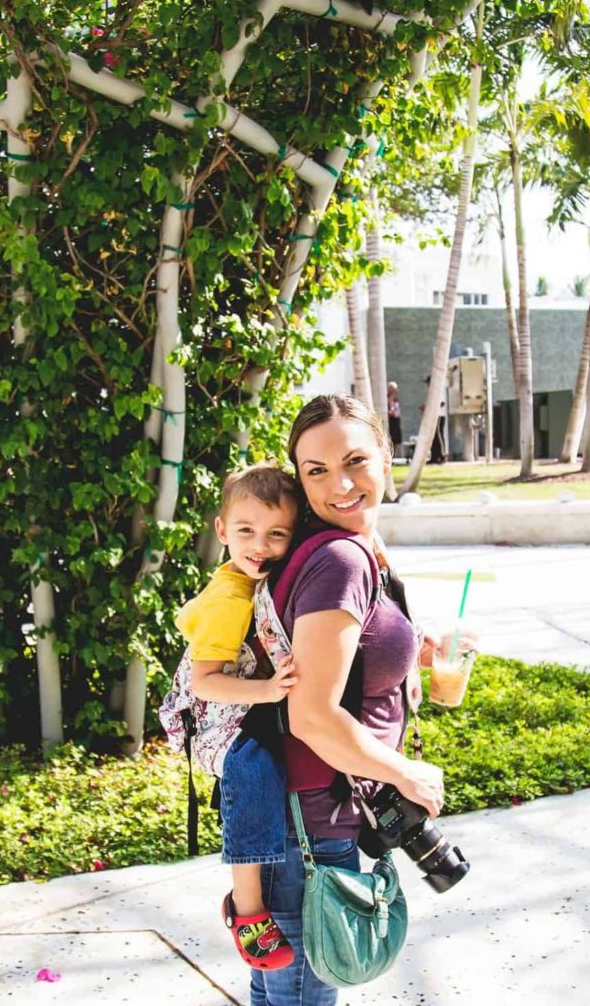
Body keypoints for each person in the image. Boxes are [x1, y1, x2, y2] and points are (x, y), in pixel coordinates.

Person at [250, 394, 462, 1006]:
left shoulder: (352, 548)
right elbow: (311, 714)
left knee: (281, 996)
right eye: (315, 471)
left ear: (386, 458)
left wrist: (415, 645)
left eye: (354, 461)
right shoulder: (340, 560)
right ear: (299, 479)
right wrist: (408, 773)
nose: (339, 485)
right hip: (312, 829)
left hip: (303, 822)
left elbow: (340, 653)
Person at [175, 466, 300, 972]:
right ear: (221, 529)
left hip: (244, 706)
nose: (260, 545)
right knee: (253, 769)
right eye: (246, 531)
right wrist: (269, 690)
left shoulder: (255, 579)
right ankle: (248, 910)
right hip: (219, 717)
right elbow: (204, 682)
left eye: (276, 534)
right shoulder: (230, 598)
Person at [387, 380, 403, 454]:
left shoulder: (396, 399)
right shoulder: (385, 399)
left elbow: (397, 410)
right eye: (393, 389)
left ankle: (393, 454)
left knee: (396, 439)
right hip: (390, 421)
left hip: (396, 420)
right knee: (390, 439)